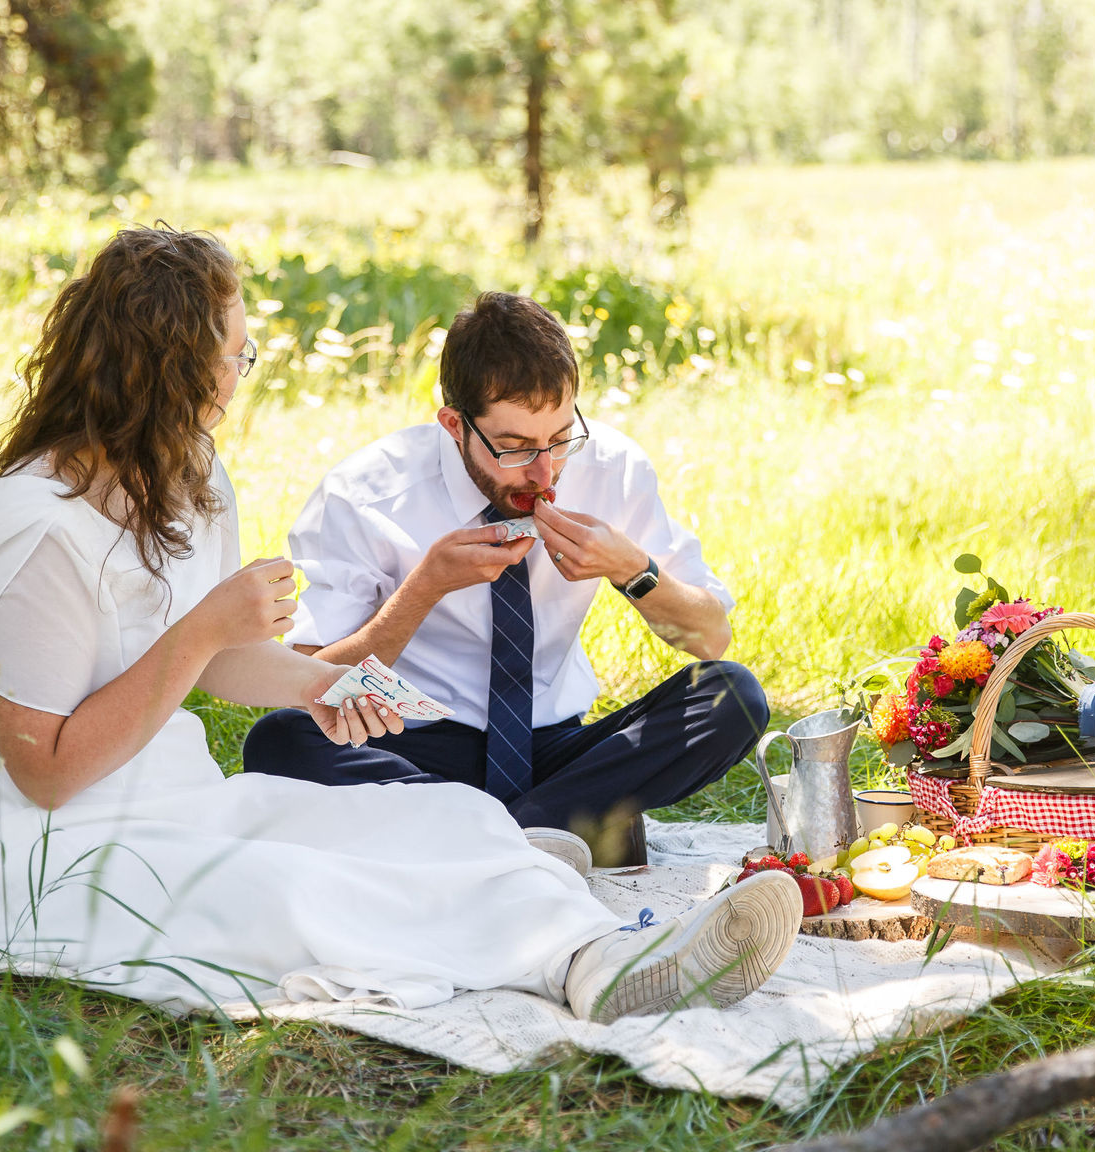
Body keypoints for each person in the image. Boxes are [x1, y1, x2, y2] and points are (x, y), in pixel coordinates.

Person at [0, 227, 801, 1021]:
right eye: (237, 354)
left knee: (440, 826)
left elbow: (226, 663)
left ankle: (606, 953)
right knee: (308, 879)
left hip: (182, 801)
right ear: (171, 371)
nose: (244, 372)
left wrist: (325, 684)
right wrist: (215, 629)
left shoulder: (186, 477)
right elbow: (46, 774)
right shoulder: (39, 530)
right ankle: (582, 960)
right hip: (49, 855)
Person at [242, 291, 767, 866]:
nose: (546, 471)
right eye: (514, 448)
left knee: (734, 698)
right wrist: (425, 588)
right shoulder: (365, 494)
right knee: (281, 741)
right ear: (453, 424)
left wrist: (631, 570)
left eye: (560, 438)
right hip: (414, 743)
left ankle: (474, 844)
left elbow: (709, 638)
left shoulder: (614, 469)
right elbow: (319, 681)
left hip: (557, 745)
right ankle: (549, 832)